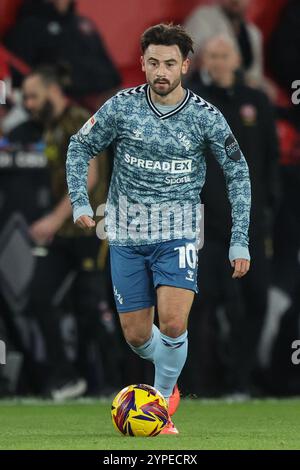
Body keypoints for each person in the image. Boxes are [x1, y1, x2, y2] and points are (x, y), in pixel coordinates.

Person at [66, 23, 251, 434]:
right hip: (127, 234)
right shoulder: (121, 108)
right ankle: (165, 367)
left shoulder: (205, 117)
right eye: (153, 63)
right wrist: (80, 199)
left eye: (169, 63)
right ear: (143, 64)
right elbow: (80, 145)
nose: (160, 71)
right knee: (135, 336)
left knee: (172, 323)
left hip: (179, 231)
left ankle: (162, 401)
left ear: (185, 65)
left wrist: (240, 240)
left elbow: (237, 172)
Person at [185, 35, 280, 396]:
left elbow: (271, 158)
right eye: (212, 56)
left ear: (237, 59)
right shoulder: (192, 103)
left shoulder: (256, 102)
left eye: (225, 56)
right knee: (200, 306)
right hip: (205, 225)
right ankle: (196, 387)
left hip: (251, 225)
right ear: (204, 61)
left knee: (256, 301)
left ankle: (239, 382)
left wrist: (269, 205)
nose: (219, 62)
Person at [21, 65, 120, 398]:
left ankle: (110, 383)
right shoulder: (49, 128)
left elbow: (88, 177)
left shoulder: (79, 120)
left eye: (33, 96)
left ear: (53, 91)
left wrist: (52, 219)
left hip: (92, 230)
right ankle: (66, 376)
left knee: (91, 309)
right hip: (66, 232)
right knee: (38, 296)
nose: (29, 104)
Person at [4, 0, 121, 110]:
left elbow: (112, 72)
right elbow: (19, 79)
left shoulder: (84, 24)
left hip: (109, 99)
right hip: (70, 109)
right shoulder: (27, 28)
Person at [184, 0, 263, 87]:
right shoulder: (202, 18)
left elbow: (256, 76)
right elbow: (188, 61)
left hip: (242, 93)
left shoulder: (254, 33)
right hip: (207, 89)